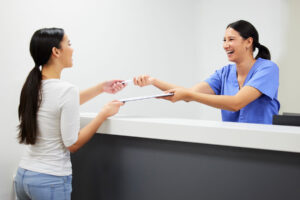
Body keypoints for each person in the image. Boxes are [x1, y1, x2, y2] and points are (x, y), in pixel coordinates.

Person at [14, 28, 125, 200]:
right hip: (50, 181)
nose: (72, 49)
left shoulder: (32, 86)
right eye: (69, 43)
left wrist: (101, 88)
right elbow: (72, 144)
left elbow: (60, 104)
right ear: (56, 51)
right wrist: (103, 114)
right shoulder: (66, 90)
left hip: (24, 177)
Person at [134, 20, 280, 124]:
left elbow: (236, 103)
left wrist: (189, 95)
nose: (225, 45)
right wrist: (153, 81)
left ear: (248, 42)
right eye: (224, 40)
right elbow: (188, 94)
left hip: (263, 143)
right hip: (233, 143)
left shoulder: (268, 69)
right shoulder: (224, 73)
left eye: (231, 39)